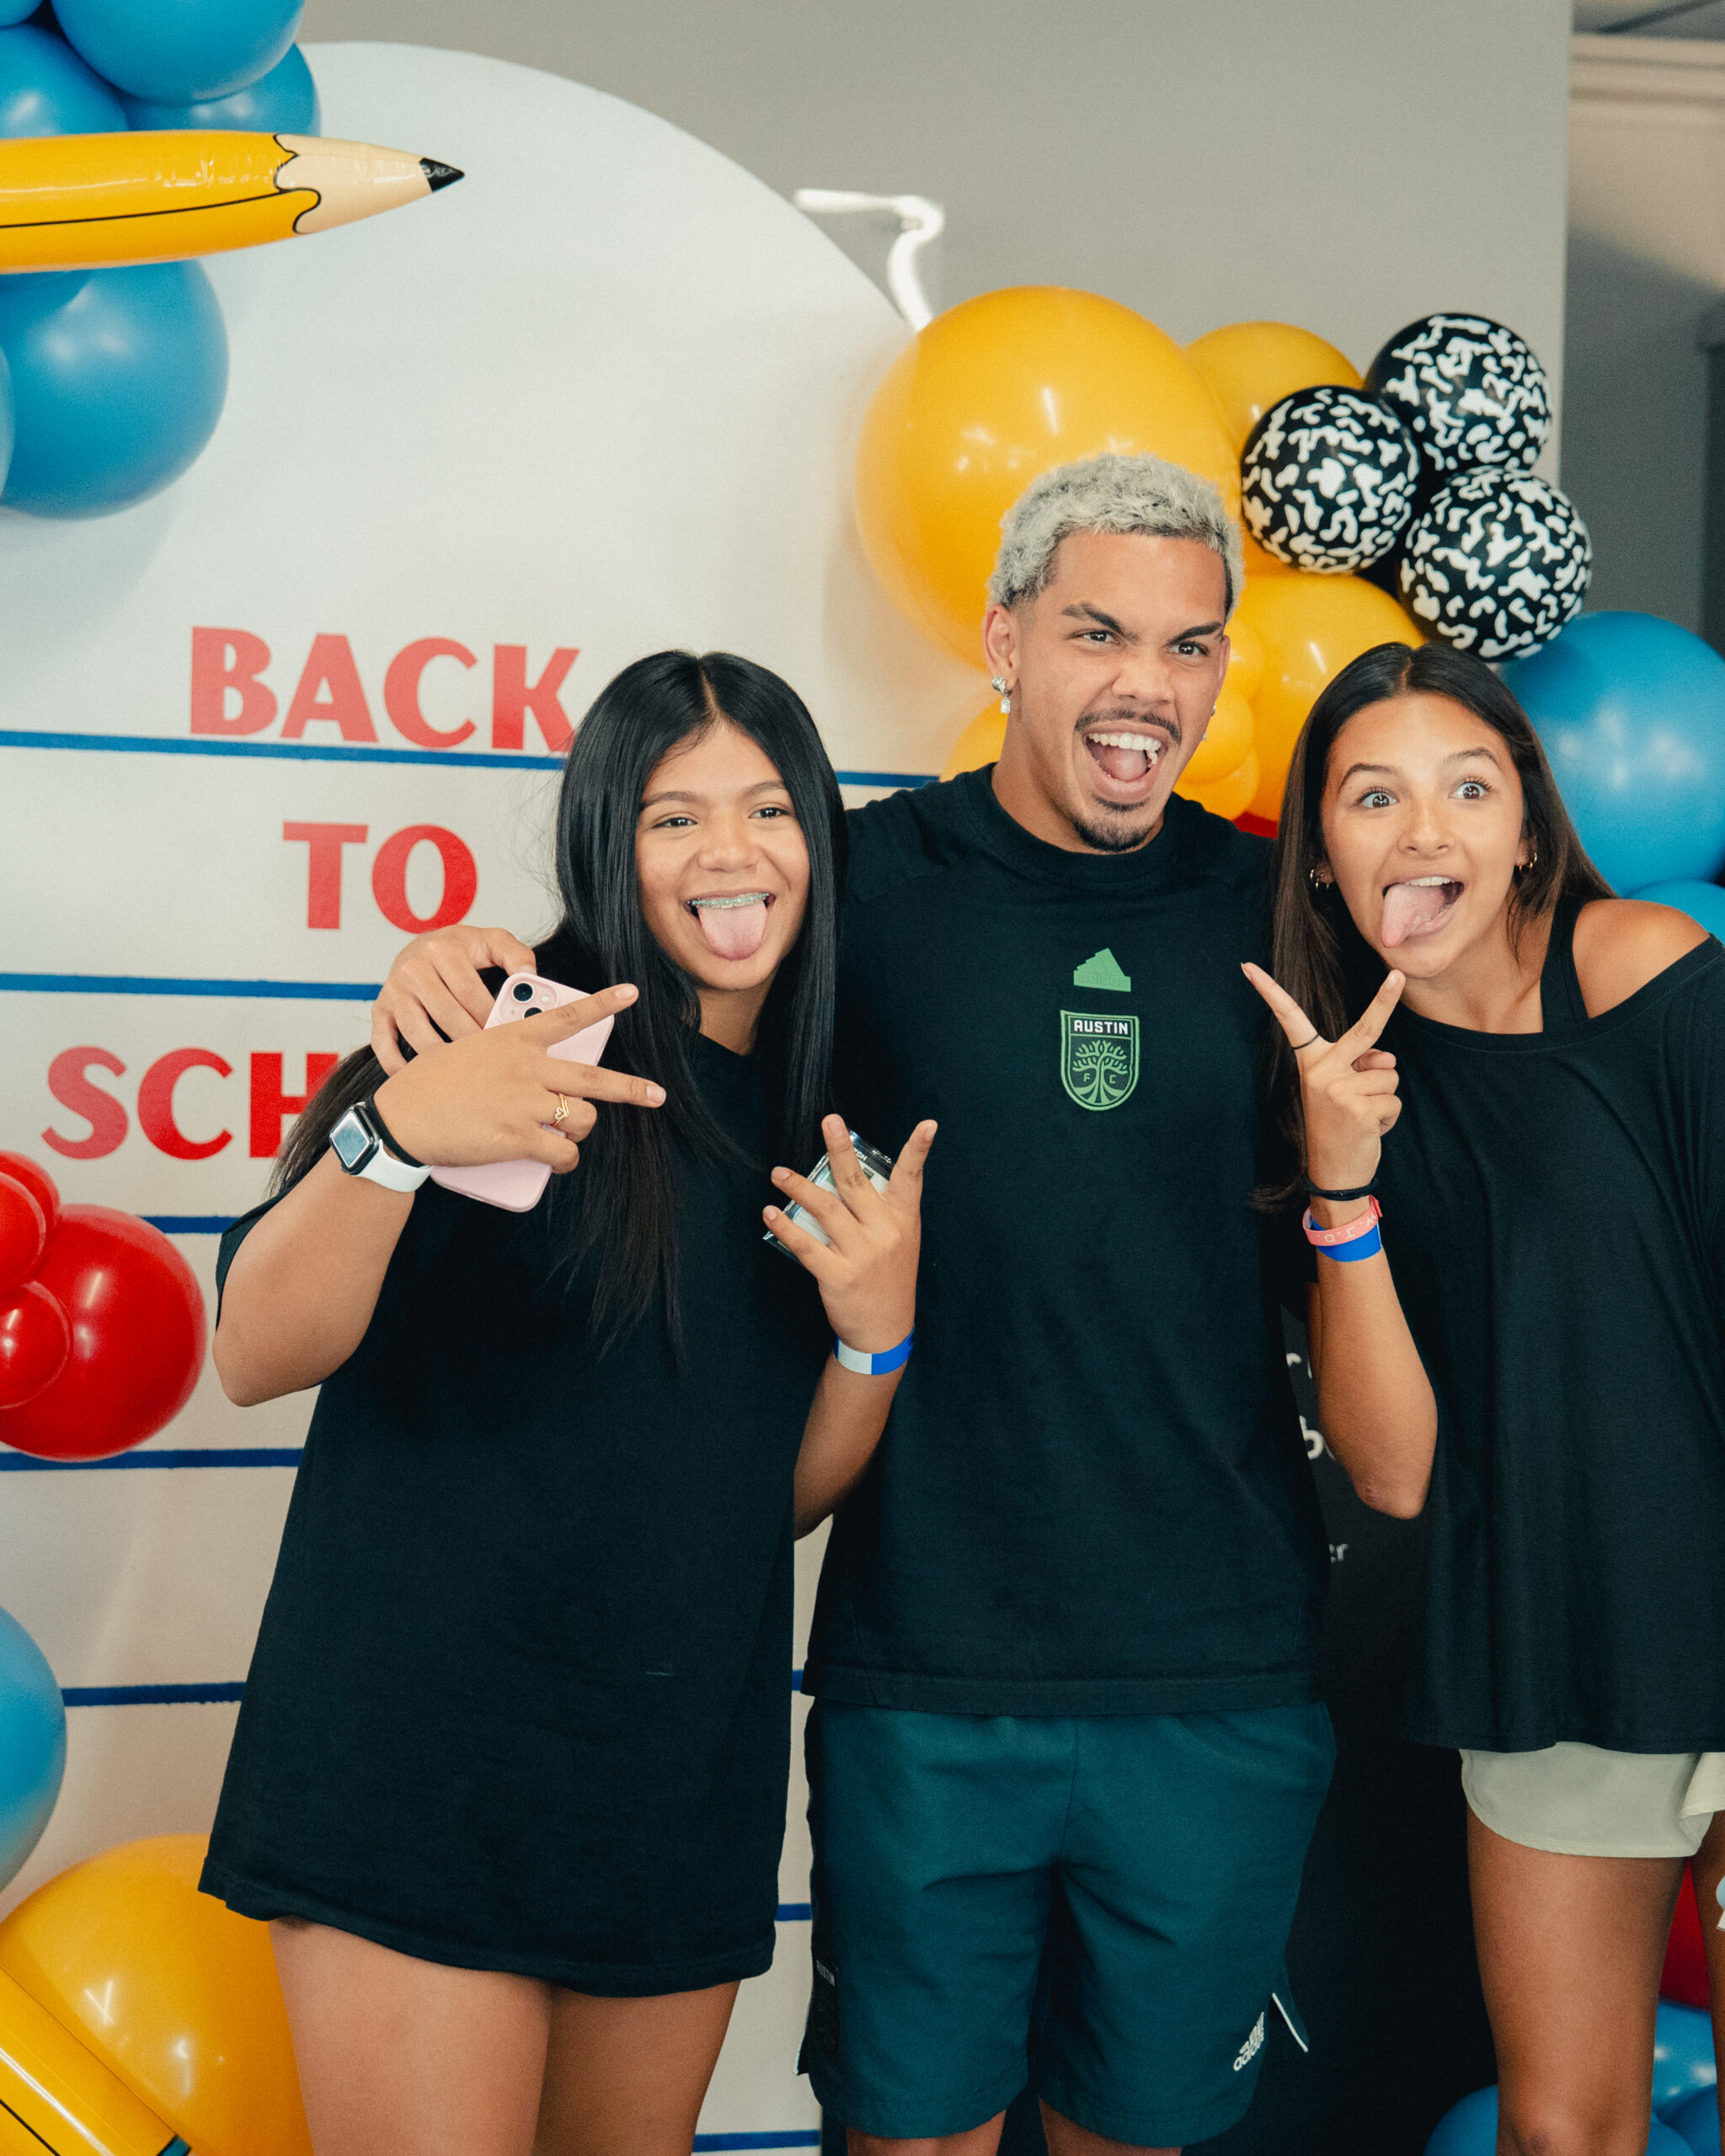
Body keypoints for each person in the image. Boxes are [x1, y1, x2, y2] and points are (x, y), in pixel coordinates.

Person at [373, 452, 1334, 2156]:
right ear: (1003, 640)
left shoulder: (1276, 909)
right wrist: (453, 964)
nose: (1146, 683)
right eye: (1098, 632)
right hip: (925, 1664)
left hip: (1221, 1670)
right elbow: (635, 972)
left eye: (1189, 645)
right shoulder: (854, 884)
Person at [203, 648, 937, 2156]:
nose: (730, 853)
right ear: (608, 840)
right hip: (420, 1772)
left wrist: (875, 1340)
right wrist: (393, 1133)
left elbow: (769, 1500)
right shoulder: (503, 1034)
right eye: (675, 817)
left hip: (669, 1793)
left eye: (768, 810)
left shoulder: (832, 1116)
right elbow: (254, 1350)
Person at [1244, 638, 1725, 2156]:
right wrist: (1344, 1187)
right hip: (1556, 1645)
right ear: (1321, 858)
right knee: (1564, 2130)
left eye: (1468, 787)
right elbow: (1393, 1472)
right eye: (1373, 797)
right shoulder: (1347, 1099)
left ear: (1527, 826)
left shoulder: (1640, 968)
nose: (1424, 830)